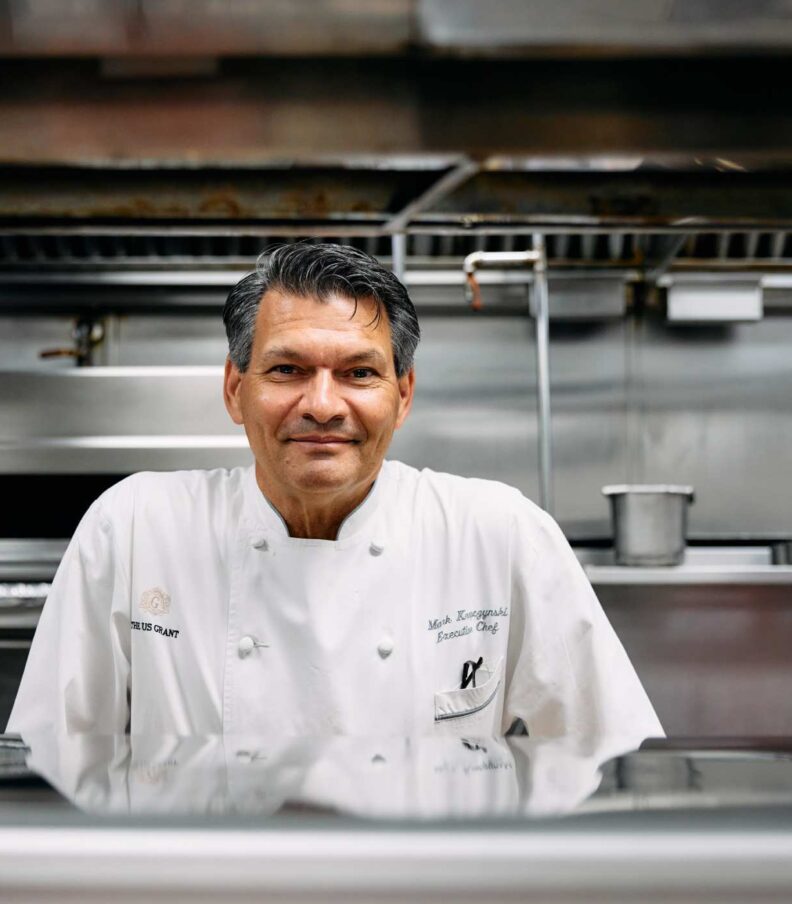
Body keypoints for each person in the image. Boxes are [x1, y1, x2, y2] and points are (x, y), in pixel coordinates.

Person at [8, 242, 663, 742]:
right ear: (236, 390)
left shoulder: (496, 532)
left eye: (358, 373)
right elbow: (53, 763)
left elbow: (616, 766)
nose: (323, 405)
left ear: (402, 396)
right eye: (287, 369)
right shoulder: (135, 527)